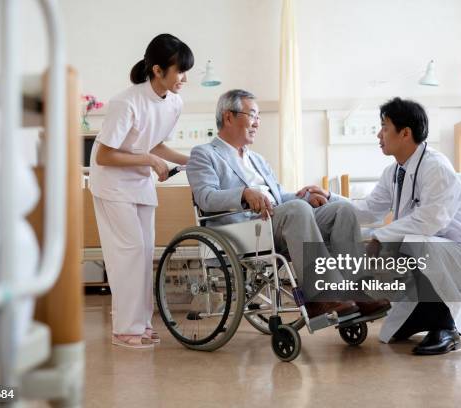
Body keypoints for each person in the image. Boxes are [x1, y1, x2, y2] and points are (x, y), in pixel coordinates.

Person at [303, 97, 461, 355]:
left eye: (384, 127)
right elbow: (369, 209)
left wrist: (382, 237)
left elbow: (432, 219)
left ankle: (446, 325)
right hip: (433, 255)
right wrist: (330, 197)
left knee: (416, 241)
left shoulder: (436, 167)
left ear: (405, 133)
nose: (379, 134)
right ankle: (428, 313)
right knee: (390, 334)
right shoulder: (394, 172)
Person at [186, 89, 390, 320]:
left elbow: (280, 197)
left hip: (275, 223)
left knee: (341, 210)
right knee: (297, 210)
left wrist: (306, 198)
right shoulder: (204, 154)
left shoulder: (257, 159)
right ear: (228, 116)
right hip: (239, 231)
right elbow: (205, 197)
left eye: (258, 117)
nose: (257, 123)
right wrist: (243, 193)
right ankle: (320, 295)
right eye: (252, 115)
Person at [89, 34, 194, 349]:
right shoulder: (126, 101)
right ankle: (125, 328)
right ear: (158, 70)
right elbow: (104, 155)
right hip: (112, 183)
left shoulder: (174, 103)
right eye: (179, 71)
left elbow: (157, 142)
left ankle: (142, 325)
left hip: (140, 183)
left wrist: (191, 159)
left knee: (145, 253)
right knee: (129, 253)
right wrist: (149, 159)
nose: (184, 79)